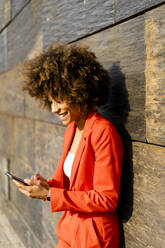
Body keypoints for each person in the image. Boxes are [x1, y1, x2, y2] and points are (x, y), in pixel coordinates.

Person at [13, 42, 124, 248]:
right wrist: (44, 186)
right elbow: (69, 186)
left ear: (78, 91)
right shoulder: (71, 130)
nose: (54, 109)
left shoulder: (103, 131)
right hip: (70, 229)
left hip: (94, 236)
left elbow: (106, 199)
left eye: (59, 99)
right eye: (50, 101)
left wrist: (48, 194)